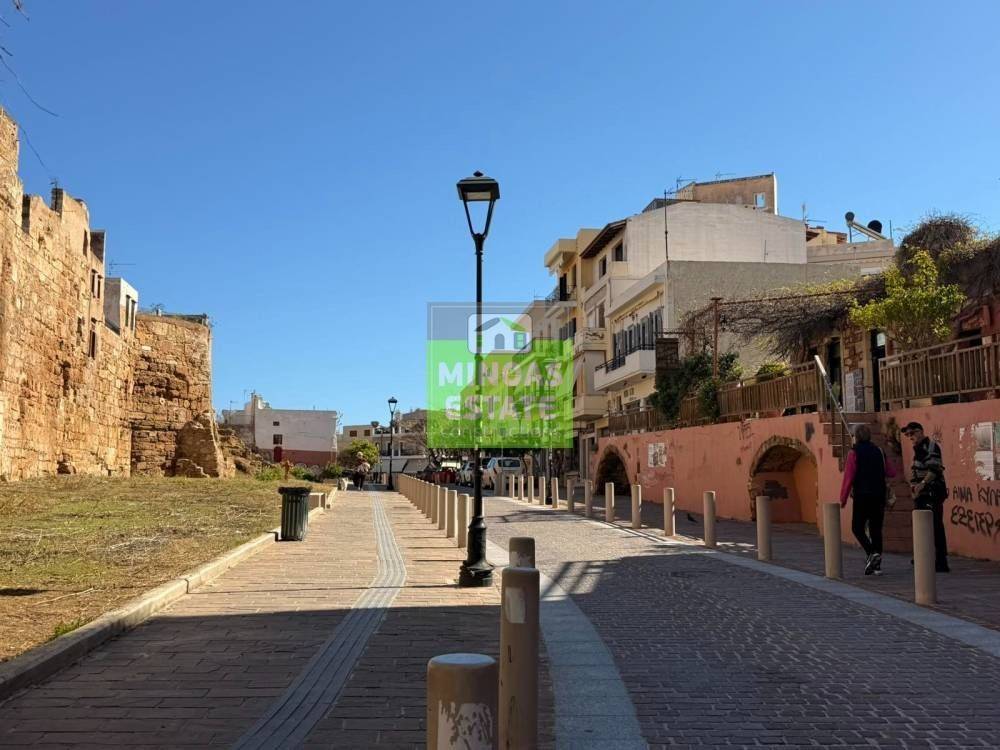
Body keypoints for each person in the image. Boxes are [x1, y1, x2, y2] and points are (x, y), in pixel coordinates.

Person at [840, 424, 896, 575]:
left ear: (856, 437)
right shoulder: (879, 451)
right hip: (879, 495)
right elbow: (891, 472)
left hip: (862, 496)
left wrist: (843, 498)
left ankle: (872, 553)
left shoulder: (854, 453)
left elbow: (849, 477)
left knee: (857, 527)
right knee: (876, 529)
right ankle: (877, 566)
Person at [902, 421, 949, 572]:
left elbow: (934, 469)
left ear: (920, 432)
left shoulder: (931, 446)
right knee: (921, 526)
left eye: (912, 433)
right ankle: (922, 556)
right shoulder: (918, 449)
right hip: (921, 493)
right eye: (908, 435)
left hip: (932, 492)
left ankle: (941, 561)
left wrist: (922, 483)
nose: (910, 437)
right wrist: (914, 487)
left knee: (935, 526)